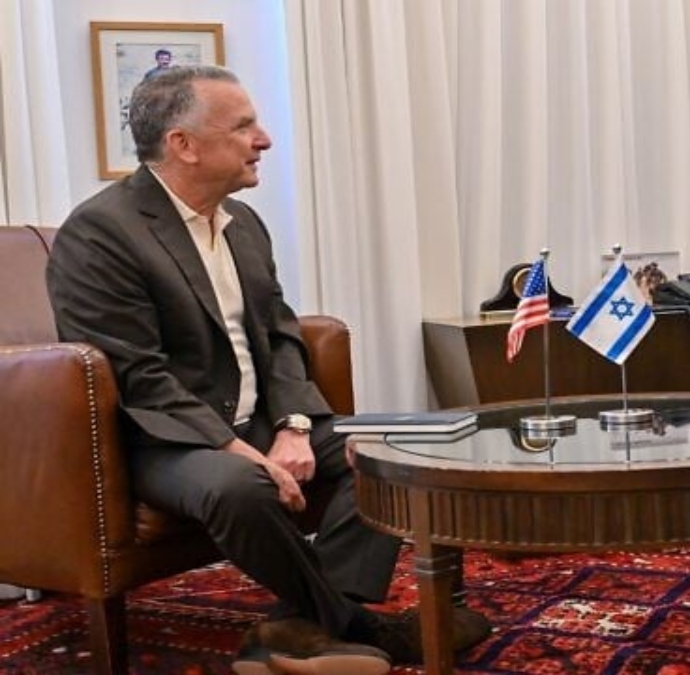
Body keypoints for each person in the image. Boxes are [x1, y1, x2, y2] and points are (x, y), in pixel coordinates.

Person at [46, 66, 489, 674]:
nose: (265, 139)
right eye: (244, 125)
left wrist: (295, 427)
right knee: (239, 486)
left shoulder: (243, 223)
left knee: (398, 448)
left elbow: (281, 338)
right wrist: (239, 450)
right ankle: (361, 627)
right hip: (162, 441)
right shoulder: (101, 233)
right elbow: (137, 374)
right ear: (184, 145)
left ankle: (296, 629)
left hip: (259, 420)